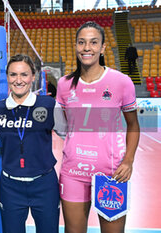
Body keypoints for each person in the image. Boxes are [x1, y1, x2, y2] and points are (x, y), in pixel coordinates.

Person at [56, 21, 140, 233]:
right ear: (75, 46)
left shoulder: (121, 82)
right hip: (73, 172)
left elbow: (133, 125)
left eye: (94, 43)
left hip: (111, 173)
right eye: (82, 42)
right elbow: (66, 126)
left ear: (102, 47)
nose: (87, 48)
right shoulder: (64, 85)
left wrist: (128, 161)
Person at [0, 54, 66, 233]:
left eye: (24, 74)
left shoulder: (48, 105)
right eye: (13, 75)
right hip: (10, 187)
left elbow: (68, 134)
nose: (18, 80)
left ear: (33, 77)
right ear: (7, 77)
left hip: (44, 184)